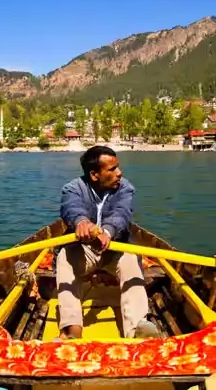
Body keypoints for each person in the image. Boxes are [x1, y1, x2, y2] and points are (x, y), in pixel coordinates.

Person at [56, 145, 159, 340]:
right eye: (112, 169)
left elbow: (122, 213)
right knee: (64, 257)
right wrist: (81, 222)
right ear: (94, 175)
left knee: (130, 258)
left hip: (115, 250)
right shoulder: (72, 189)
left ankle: (136, 329)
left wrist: (107, 232)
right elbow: (71, 208)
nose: (119, 173)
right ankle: (72, 329)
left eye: (118, 167)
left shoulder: (126, 188)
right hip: (85, 250)